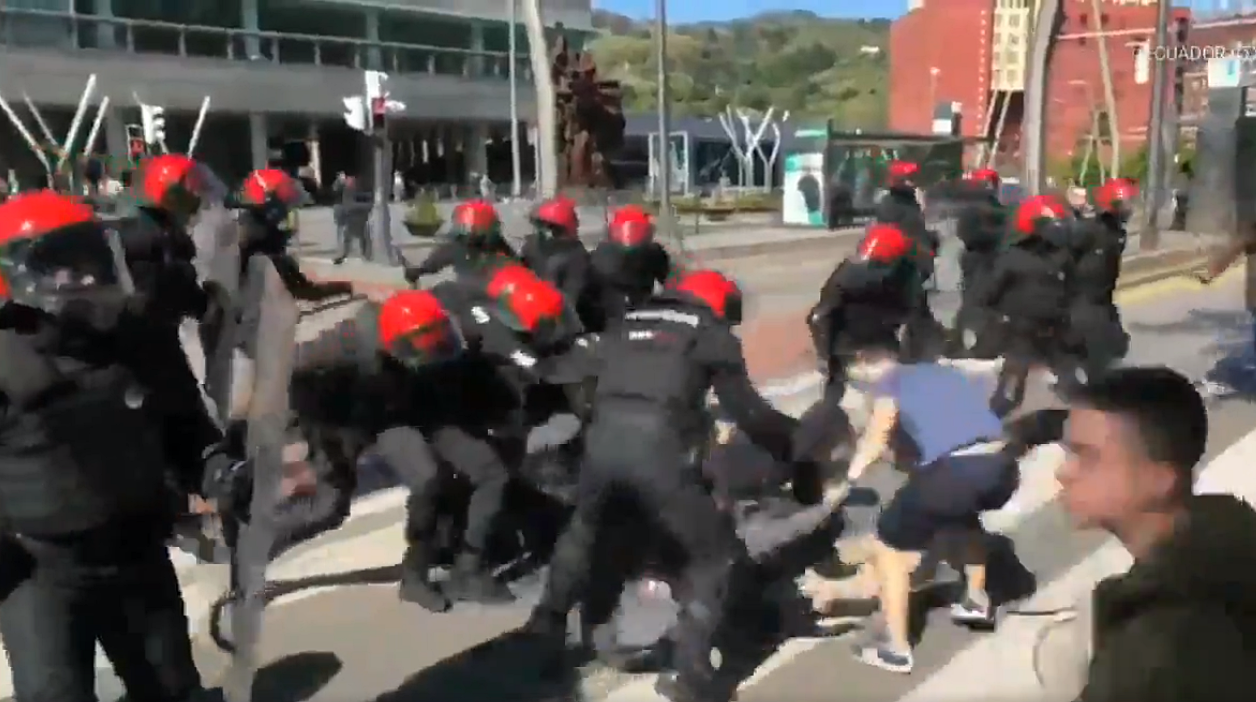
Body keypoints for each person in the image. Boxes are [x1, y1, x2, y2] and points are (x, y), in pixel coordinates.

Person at [524, 269, 799, 702]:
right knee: (712, 559)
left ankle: (544, 631)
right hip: (659, 452)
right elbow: (749, 412)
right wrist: (791, 447)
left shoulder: (626, 322)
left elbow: (569, 372)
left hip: (601, 442)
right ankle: (690, 676)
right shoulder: (711, 334)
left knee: (582, 534)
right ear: (718, 305)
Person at [0, 191, 232, 702]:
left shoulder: (138, 337)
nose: (88, 278)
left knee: (172, 689)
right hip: (40, 570)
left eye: (93, 259)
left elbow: (185, 428)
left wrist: (220, 471)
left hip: (135, 550)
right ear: (16, 279)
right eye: (66, 267)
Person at [290, 268, 575, 609]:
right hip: (376, 420)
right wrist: (319, 429)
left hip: (428, 409)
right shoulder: (352, 339)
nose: (436, 347)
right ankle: (416, 572)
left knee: (490, 472)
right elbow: (290, 368)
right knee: (422, 482)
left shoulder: (446, 323)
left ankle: (466, 568)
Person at [1056, 366, 1256, 702]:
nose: (1064, 473)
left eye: (1086, 457)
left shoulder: (1151, 652)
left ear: (1161, 480)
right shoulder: (1233, 538)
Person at [837, 340, 1016, 674]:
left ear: (864, 360)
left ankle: (896, 649)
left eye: (856, 373)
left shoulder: (889, 380)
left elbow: (876, 438)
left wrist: (848, 478)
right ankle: (976, 600)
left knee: (888, 548)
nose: (860, 382)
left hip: (956, 471)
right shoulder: (943, 372)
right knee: (962, 514)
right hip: (1001, 464)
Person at [979, 194, 1076, 416]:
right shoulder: (1016, 257)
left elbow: (1071, 288)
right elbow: (990, 293)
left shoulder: (1057, 255)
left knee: (1069, 383)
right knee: (1012, 386)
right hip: (1026, 330)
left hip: (1050, 328)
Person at [807, 222, 922, 400]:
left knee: (846, 417)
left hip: (846, 357)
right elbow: (911, 319)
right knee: (887, 415)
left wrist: (825, 357)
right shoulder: (903, 279)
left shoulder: (844, 275)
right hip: (883, 355)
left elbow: (819, 317)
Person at [1065, 178, 1133, 383]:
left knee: (1116, 348)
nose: (1129, 208)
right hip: (1083, 304)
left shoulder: (1117, 233)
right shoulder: (1090, 230)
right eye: (1125, 203)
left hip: (1102, 302)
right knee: (1100, 364)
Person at [873, 160, 942, 360]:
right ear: (897, 181)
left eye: (913, 178)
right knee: (912, 303)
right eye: (908, 178)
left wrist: (931, 240)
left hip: (912, 259)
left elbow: (917, 231)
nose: (913, 182)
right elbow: (905, 233)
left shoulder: (910, 201)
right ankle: (912, 350)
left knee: (918, 304)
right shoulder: (892, 204)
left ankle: (920, 345)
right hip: (901, 261)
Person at [949, 168, 1007, 358]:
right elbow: (970, 235)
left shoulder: (995, 207)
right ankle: (970, 340)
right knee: (976, 299)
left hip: (991, 259)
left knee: (987, 300)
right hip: (979, 259)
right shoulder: (973, 210)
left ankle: (981, 339)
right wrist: (1000, 237)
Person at [588, 205, 675, 326]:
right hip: (643, 314)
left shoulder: (599, 253)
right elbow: (667, 279)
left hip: (608, 318)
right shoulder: (653, 253)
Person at [403, 199, 517, 284]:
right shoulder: (456, 246)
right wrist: (418, 271)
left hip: (494, 298)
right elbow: (433, 263)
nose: (473, 235)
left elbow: (519, 265)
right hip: (466, 299)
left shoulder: (497, 245)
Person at [520, 196, 594, 315]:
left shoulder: (575, 256)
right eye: (541, 226)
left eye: (548, 227)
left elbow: (571, 297)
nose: (543, 231)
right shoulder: (532, 246)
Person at [333, 175, 371, 264]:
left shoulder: (357, 191)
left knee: (362, 237)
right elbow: (349, 205)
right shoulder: (348, 191)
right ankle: (344, 254)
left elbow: (351, 205)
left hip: (359, 218)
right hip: (354, 218)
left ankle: (366, 255)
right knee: (350, 236)